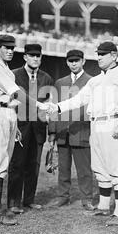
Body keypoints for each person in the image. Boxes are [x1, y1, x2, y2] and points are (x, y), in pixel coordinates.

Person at [46, 41, 118, 227]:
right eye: (98, 54)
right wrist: (57, 106)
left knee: (117, 168)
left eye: (103, 54)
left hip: (113, 123)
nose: (99, 58)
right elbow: (79, 99)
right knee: (100, 168)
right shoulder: (94, 80)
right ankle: (103, 207)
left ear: (114, 55)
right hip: (95, 125)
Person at [0, 35, 47, 226]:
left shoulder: (6, 69)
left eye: (11, 48)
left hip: (7, 113)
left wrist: (15, 125)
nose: (9, 51)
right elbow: (15, 93)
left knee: (3, 161)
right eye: (5, 47)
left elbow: (12, 100)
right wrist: (39, 106)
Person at [7, 44, 54, 214]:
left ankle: (29, 200)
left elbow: (49, 105)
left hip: (38, 128)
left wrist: (51, 131)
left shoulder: (46, 78)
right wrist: (12, 125)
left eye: (38, 56)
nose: (35, 58)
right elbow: (9, 101)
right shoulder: (13, 75)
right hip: (20, 127)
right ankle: (13, 202)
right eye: (31, 55)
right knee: (17, 164)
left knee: (33, 166)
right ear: (25, 57)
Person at [47, 49, 95, 211]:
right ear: (66, 62)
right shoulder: (60, 83)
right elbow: (53, 109)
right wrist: (52, 132)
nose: (73, 63)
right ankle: (63, 197)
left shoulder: (91, 81)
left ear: (83, 61)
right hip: (62, 131)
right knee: (63, 168)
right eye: (70, 60)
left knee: (84, 169)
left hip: (81, 130)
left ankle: (87, 199)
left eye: (77, 60)